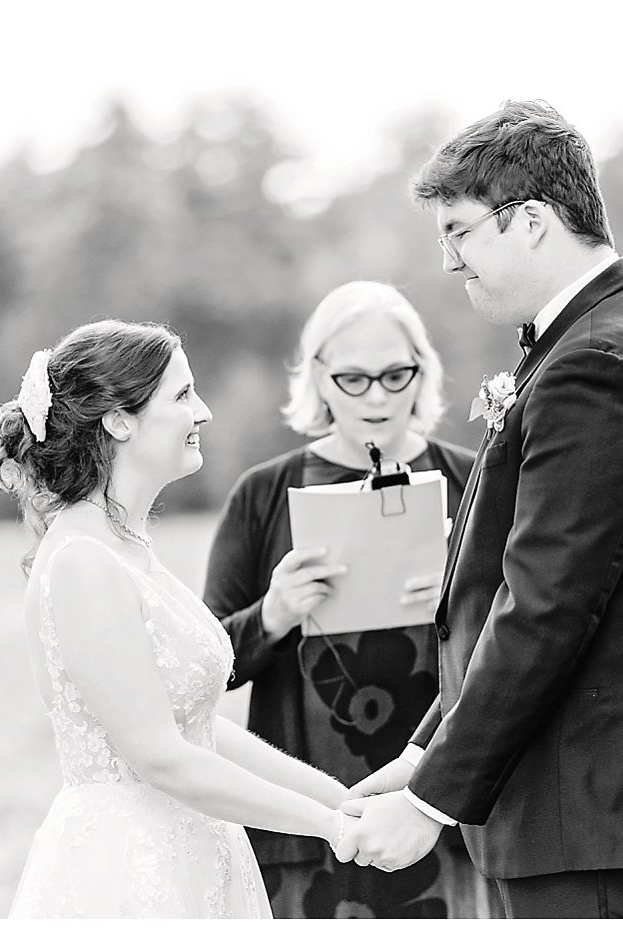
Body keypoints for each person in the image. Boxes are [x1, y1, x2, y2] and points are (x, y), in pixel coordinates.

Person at [334, 99, 623, 918]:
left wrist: (429, 803)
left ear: (529, 221)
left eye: (458, 230)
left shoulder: (602, 364)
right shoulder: (589, 339)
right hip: (572, 806)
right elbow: (513, 591)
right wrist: (425, 751)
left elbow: (546, 604)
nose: (448, 259)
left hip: (595, 804)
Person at [0, 320, 349, 917]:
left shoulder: (126, 545)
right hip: (131, 873)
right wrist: (330, 827)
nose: (202, 412)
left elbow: (197, 727)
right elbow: (160, 755)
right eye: (182, 395)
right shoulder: (83, 561)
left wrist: (338, 799)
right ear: (119, 419)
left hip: (195, 855)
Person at [202, 282, 484, 918]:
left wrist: (462, 594)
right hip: (308, 822)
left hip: (447, 815)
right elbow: (206, 669)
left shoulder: (478, 480)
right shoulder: (263, 494)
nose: (378, 396)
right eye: (354, 378)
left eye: (395, 375)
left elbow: (526, 640)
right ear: (319, 379)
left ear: (422, 372)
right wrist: (273, 613)